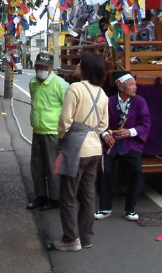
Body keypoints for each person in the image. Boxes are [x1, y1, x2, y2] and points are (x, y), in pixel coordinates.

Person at [52, 52, 108, 252]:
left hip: (77, 148)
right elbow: (103, 125)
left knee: (68, 195)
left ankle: (70, 238)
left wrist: (62, 138)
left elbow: (64, 121)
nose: (76, 66)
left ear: (85, 69)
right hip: (95, 149)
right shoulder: (102, 94)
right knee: (88, 195)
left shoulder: (75, 88)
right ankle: (85, 237)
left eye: (80, 64)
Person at [95, 73, 151, 222]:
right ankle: (105, 207)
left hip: (131, 143)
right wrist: (104, 134)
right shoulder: (109, 102)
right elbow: (100, 123)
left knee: (136, 169)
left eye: (135, 84)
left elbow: (145, 124)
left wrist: (130, 132)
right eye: (131, 84)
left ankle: (130, 209)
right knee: (104, 169)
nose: (135, 87)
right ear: (121, 87)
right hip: (111, 143)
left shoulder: (139, 102)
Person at [27, 51, 68, 211]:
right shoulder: (33, 82)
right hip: (37, 130)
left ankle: (54, 198)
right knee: (37, 166)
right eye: (39, 66)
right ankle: (40, 196)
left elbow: (68, 107)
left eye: (45, 67)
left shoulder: (60, 84)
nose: (41, 69)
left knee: (52, 166)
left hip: (53, 132)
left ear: (51, 68)